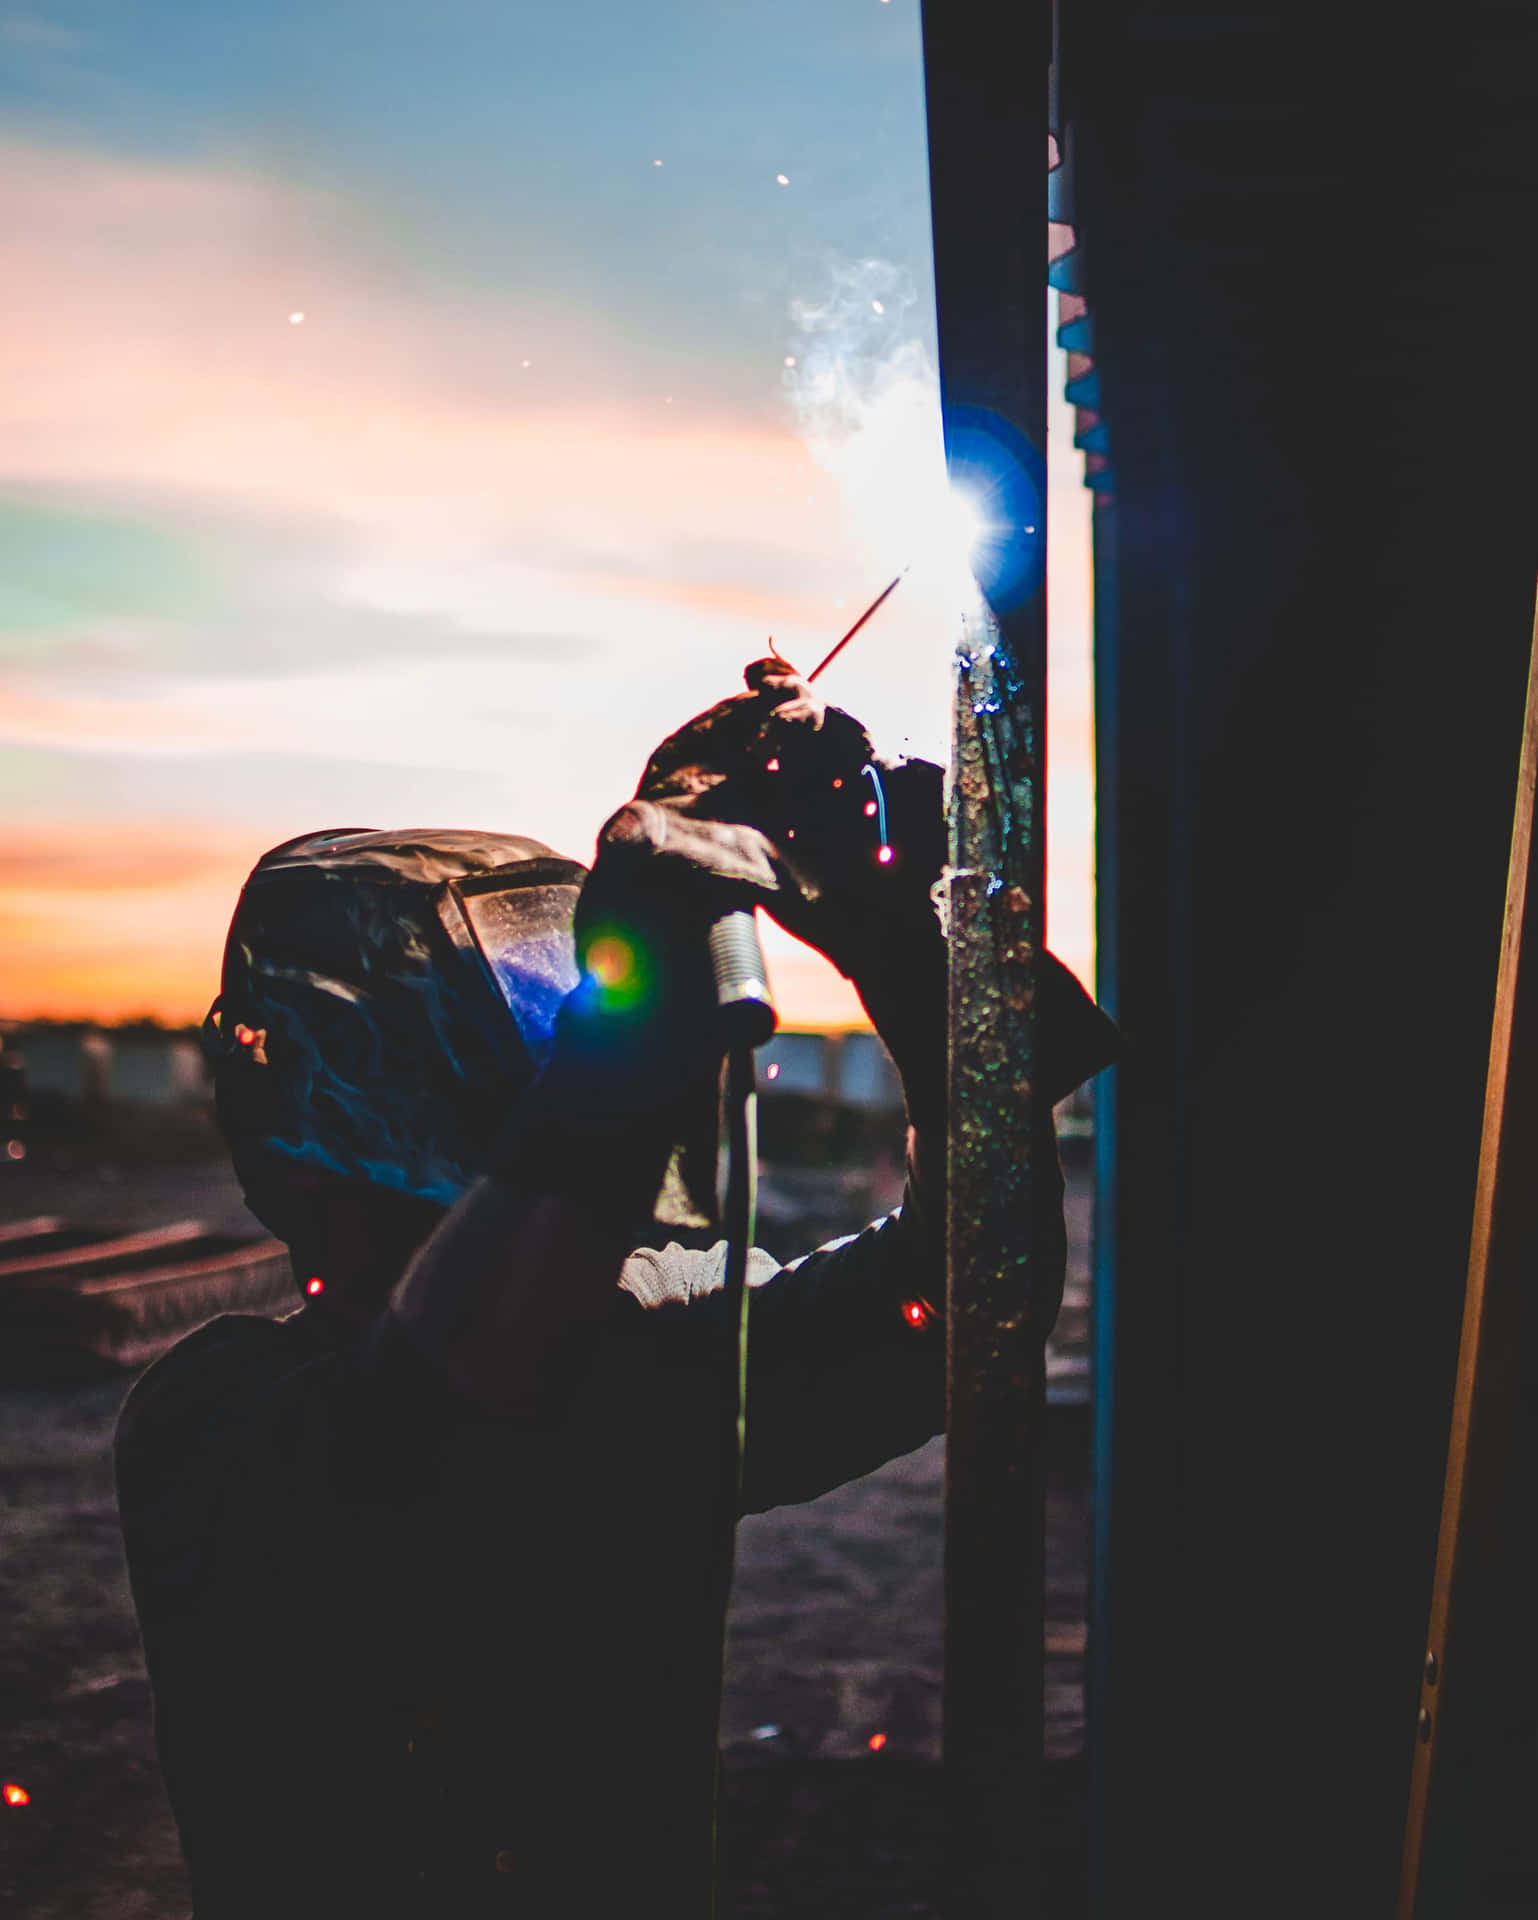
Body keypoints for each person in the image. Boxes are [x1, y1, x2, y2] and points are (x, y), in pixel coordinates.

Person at [114, 662, 1116, 1918]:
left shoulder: (635, 1348)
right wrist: (635, 1019)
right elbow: (451, 1403)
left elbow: (967, 1306)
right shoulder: (219, 1427)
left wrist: (908, 968)